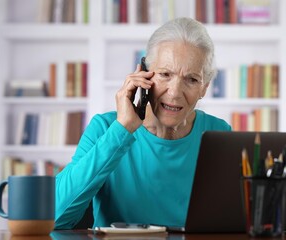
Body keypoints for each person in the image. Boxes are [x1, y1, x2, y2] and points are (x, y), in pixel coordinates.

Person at [54, 17, 231, 229]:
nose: (174, 93)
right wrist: (123, 129)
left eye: (192, 80)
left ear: (204, 87)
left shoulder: (218, 134)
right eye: (165, 74)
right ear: (143, 74)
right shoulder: (105, 128)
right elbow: (54, 216)